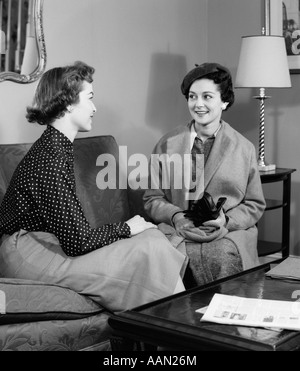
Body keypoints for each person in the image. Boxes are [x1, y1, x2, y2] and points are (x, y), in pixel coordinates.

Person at [0, 61, 187, 312]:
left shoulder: (56, 148)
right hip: (26, 252)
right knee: (149, 244)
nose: (95, 107)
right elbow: (78, 242)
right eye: (89, 98)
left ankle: (177, 328)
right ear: (67, 103)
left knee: (152, 238)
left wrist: (129, 230)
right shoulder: (50, 158)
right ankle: (182, 330)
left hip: (40, 243)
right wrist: (126, 227)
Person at [143, 62, 266, 287]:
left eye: (207, 97)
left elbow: (254, 204)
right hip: (177, 230)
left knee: (219, 257)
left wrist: (226, 220)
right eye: (192, 97)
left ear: (224, 101)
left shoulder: (244, 148)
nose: (198, 104)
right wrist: (176, 216)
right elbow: (153, 198)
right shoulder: (167, 143)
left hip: (226, 233)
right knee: (161, 259)